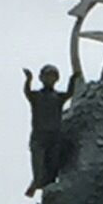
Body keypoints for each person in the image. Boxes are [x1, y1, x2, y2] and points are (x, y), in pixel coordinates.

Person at [23, 64, 66, 195]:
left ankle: (46, 188)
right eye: (47, 76)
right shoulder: (36, 96)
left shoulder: (58, 97)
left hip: (54, 137)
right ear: (41, 78)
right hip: (39, 137)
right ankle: (35, 183)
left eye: (53, 76)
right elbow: (27, 93)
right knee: (39, 166)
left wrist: (74, 79)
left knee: (52, 167)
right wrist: (28, 80)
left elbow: (70, 92)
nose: (50, 79)